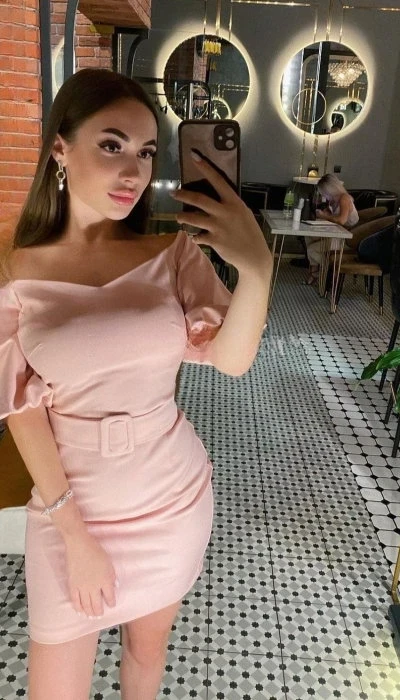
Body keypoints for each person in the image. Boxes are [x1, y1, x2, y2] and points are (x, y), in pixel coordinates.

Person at [0, 68, 272, 699]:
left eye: (147, 153)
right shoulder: (15, 270)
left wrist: (256, 269)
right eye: (112, 145)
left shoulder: (170, 254)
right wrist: (74, 534)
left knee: (145, 661)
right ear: (60, 148)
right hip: (71, 510)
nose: (134, 172)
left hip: (170, 499)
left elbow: (231, 360)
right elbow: (20, 407)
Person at [304, 173, 359, 285]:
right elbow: (333, 219)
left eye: (324, 192)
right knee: (308, 235)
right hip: (336, 233)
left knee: (311, 250)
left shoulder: (344, 198)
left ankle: (329, 269)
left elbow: (341, 220)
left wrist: (324, 216)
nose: (323, 195)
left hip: (346, 238)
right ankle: (316, 271)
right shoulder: (334, 201)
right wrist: (327, 214)